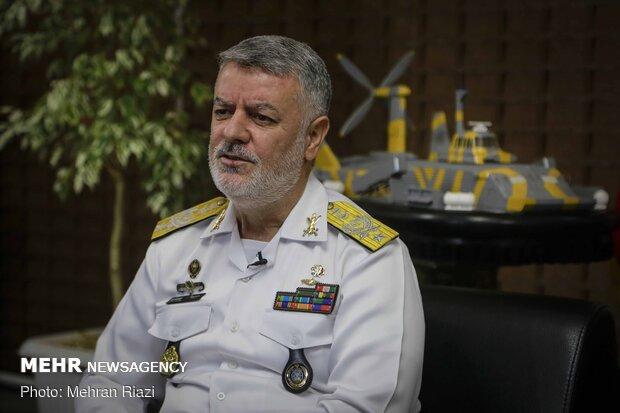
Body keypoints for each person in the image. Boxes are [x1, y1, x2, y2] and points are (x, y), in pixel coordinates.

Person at [76, 35, 424, 413]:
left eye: (260, 117)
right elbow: (109, 381)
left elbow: (363, 408)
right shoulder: (176, 246)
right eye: (223, 111)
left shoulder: (367, 259)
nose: (232, 132)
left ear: (312, 137)